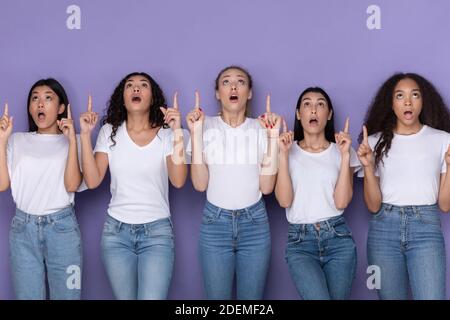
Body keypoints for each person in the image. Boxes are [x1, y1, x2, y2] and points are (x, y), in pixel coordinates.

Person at [79, 72, 187, 299]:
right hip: (116, 234)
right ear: (123, 96)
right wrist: (85, 136)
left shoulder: (167, 133)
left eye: (143, 85)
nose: (136, 89)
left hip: (157, 233)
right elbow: (92, 180)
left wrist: (177, 131)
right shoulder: (110, 131)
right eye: (130, 85)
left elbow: (178, 180)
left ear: (152, 97)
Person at [186, 65, 279, 299]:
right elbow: (199, 184)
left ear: (249, 93)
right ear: (218, 93)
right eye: (226, 82)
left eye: (241, 82)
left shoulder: (261, 128)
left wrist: (273, 138)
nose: (234, 86)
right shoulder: (203, 125)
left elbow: (267, 187)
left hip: (254, 224)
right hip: (215, 224)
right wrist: (196, 135)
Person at [357, 73, 450, 299]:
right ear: (391, 103)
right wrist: (369, 166)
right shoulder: (373, 143)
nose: (408, 102)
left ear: (422, 101)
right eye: (400, 96)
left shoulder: (443, 140)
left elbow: (445, 205)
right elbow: (372, 206)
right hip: (383, 230)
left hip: (426, 229)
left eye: (414, 95)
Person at [0, 78, 83, 299]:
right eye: (35, 98)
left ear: (61, 108)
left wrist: (73, 141)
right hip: (22, 230)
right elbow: (2, 184)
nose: (40, 103)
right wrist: (1, 141)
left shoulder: (73, 141)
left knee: (68, 296)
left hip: (62, 229)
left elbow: (72, 184)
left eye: (48, 98)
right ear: (30, 107)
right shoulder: (17, 140)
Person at [275, 87, 359, 299]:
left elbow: (341, 202)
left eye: (320, 104)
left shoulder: (342, 150)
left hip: (337, 238)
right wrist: (283, 156)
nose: (313, 110)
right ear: (298, 114)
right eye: (307, 104)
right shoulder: (284, 150)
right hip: (300, 242)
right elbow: (284, 200)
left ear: (329, 114)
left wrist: (345, 156)